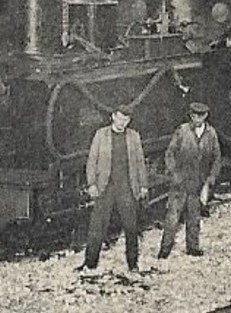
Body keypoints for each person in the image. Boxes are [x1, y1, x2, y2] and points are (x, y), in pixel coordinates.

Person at [81, 107, 148, 275]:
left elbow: (140, 162)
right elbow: (92, 161)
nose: (122, 122)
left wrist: (143, 185)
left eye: (126, 120)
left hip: (126, 187)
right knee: (97, 226)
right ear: (113, 117)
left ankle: (132, 264)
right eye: (119, 118)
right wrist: (92, 184)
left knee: (131, 227)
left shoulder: (134, 137)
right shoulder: (101, 135)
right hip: (106, 187)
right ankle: (90, 264)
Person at [158, 103, 222, 259]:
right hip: (180, 182)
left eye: (200, 116)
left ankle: (193, 247)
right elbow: (170, 153)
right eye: (194, 116)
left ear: (205, 116)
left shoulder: (211, 134)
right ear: (191, 116)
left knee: (194, 217)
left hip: (198, 183)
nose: (197, 119)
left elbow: (216, 158)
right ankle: (165, 249)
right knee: (172, 217)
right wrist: (174, 173)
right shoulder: (182, 131)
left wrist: (210, 180)